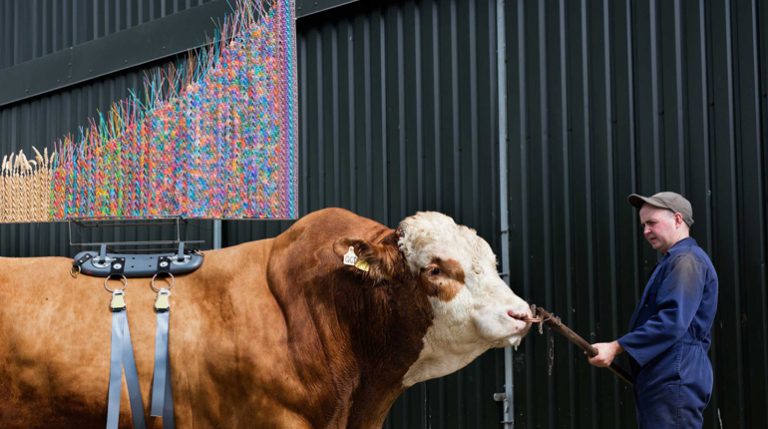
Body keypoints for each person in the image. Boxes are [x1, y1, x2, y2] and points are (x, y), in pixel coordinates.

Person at [588, 191, 718, 429]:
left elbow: (671, 322)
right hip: (666, 375)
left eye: (652, 222)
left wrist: (616, 347)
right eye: (643, 224)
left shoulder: (686, 262)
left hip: (674, 374)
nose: (645, 231)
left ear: (678, 220)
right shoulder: (674, 261)